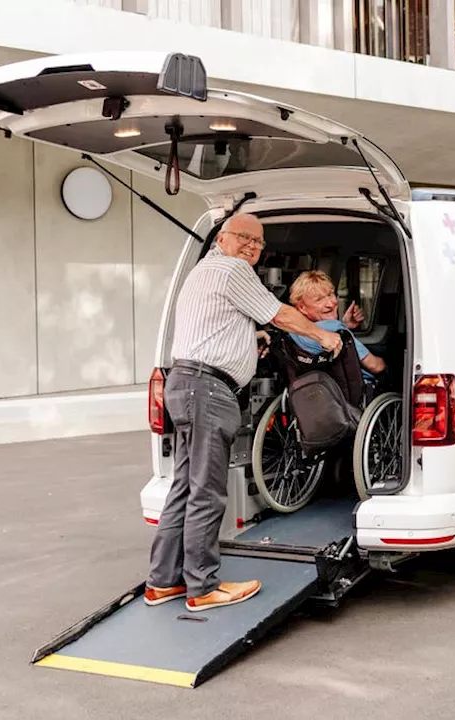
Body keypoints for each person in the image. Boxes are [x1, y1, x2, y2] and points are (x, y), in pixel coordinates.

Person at [144, 213, 343, 612]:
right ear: (223, 238)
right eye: (245, 238)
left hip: (185, 383)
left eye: (259, 243)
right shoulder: (234, 269)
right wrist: (323, 334)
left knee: (184, 486)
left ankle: (163, 581)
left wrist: (247, 338)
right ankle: (202, 587)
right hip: (207, 390)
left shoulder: (203, 270)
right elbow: (281, 313)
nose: (253, 247)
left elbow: (210, 325)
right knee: (206, 491)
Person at [287, 270, 386, 380]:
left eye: (330, 294)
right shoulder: (335, 328)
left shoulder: (292, 331)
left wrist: (345, 325)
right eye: (319, 300)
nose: (330, 303)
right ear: (302, 308)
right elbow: (376, 366)